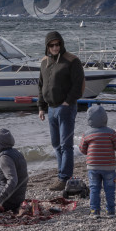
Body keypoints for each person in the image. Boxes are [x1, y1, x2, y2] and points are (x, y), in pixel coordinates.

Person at [37, 31, 85, 191]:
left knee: (66, 145)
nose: (55, 47)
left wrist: (67, 102)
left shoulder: (72, 60)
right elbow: (41, 85)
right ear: (47, 46)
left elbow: (78, 85)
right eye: (52, 45)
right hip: (50, 109)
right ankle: (62, 175)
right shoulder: (44, 62)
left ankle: (64, 178)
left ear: (62, 44)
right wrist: (41, 108)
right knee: (56, 144)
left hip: (66, 108)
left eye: (58, 44)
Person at [79, 104, 116, 218]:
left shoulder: (87, 134)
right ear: (105, 118)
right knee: (109, 189)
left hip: (93, 167)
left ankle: (95, 211)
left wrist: (90, 152)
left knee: (94, 189)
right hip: (108, 167)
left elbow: (82, 149)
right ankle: (110, 211)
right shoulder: (111, 132)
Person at [0, 127, 28, 212]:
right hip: (18, 198)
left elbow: (13, 180)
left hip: (7, 200)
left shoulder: (4, 158)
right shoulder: (16, 153)